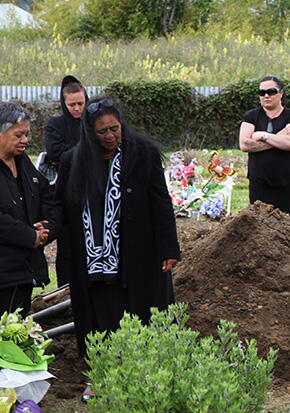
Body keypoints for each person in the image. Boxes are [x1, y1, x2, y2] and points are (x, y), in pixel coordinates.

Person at [57, 97, 180, 376]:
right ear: (90, 132)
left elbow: (160, 201)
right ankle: (102, 374)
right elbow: (61, 208)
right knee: (100, 315)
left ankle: (147, 373)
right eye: (103, 132)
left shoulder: (142, 153)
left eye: (115, 128)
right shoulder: (73, 160)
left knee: (142, 311)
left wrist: (168, 248)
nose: (111, 136)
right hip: (93, 261)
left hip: (138, 253)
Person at [0, 102, 58, 317]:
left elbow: (48, 198)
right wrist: (29, 236)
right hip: (4, 272)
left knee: (18, 334)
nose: (25, 140)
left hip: (23, 272)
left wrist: (47, 229)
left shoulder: (24, 165)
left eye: (27, 134)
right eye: (19, 135)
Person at [239, 76, 290, 216]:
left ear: (281, 93)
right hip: (259, 181)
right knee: (259, 223)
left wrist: (264, 136)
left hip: (286, 182)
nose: (266, 95)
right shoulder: (252, 116)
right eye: (262, 92)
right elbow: (245, 144)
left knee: (283, 223)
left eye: (271, 91)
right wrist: (278, 139)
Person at [45, 75, 88, 286]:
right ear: (64, 103)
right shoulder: (56, 124)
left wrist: (68, 155)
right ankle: (64, 289)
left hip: (92, 192)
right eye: (72, 104)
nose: (77, 108)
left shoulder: (93, 123)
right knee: (67, 248)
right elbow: (54, 153)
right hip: (67, 194)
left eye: (81, 103)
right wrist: (85, 152)